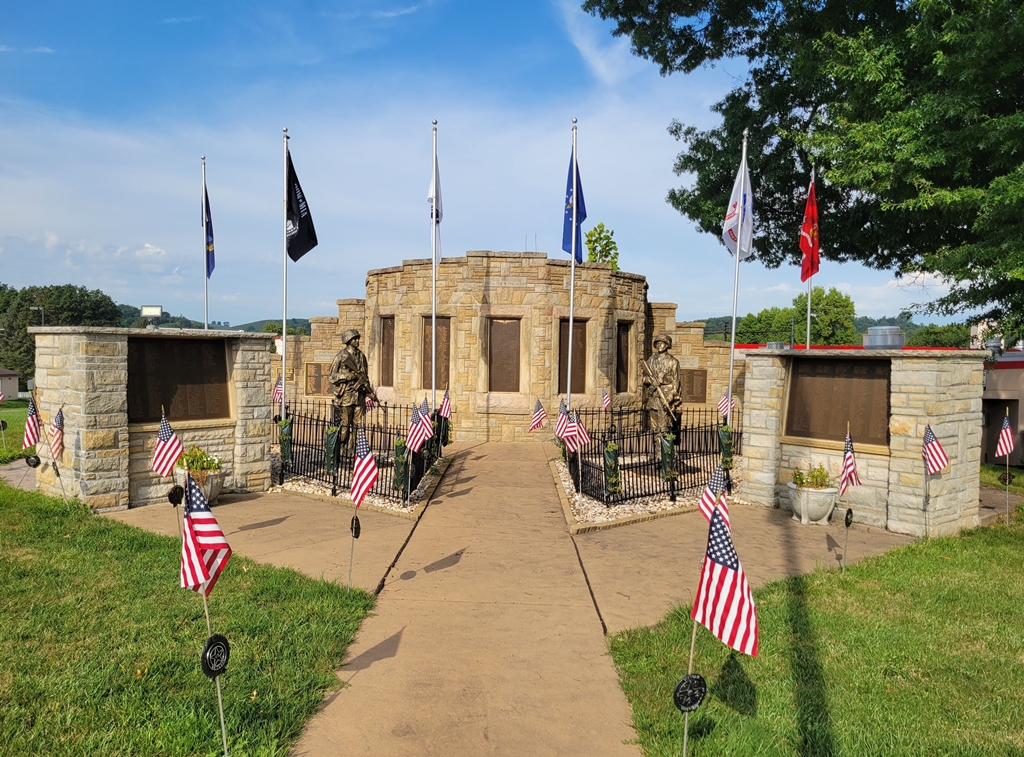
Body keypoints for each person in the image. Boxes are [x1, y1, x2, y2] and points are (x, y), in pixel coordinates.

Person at [328, 329, 376, 451]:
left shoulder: (362, 356)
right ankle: (342, 449)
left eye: (357, 338)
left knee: (359, 426)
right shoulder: (341, 356)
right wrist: (347, 376)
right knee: (345, 425)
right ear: (348, 341)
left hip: (359, 396)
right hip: (346, 396)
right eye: (354, 339)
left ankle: (355, 450)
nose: (357, 340)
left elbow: (365, 377)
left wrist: (369, 392)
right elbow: (331, 376)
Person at [642, 333, 682, 434]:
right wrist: (651, 381)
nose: (660, 345)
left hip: (665, 397)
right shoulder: (651, 360)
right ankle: (658, 448)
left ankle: (664, 449)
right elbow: (643, 379)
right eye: (658, 343)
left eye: (663, 343)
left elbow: (676, 382)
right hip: (653, 397)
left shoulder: (673, 362)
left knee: (664, 428)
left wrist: (670, 398)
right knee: (654, 428)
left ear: (668, 345)